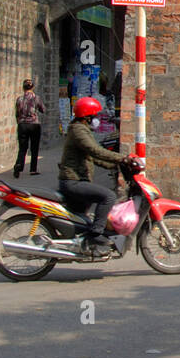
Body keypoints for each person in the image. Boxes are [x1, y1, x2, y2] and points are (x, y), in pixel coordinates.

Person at [58, 96, 128, 252]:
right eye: (94, 116)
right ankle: (96, 233)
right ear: (87, 116)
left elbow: (92, 158)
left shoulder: (81, 129)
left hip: (78, 179)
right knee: (108, 196)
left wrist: (115, 164)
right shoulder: (78, 131)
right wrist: (122, 157)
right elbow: (94, 150)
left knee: (81, 218)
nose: (96, 119)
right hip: (73, 181)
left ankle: (82, 245)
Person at [13, 78, 46, 179]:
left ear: (23, 88)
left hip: (22, 125)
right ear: (33, 87)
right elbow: (43, 110)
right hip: (34, 125)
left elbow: (17, 114)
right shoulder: (36, 98)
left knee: (22, 147)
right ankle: (33, 169)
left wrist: (19, 122)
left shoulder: (19, 99)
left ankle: (19, 164)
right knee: (34, 148)